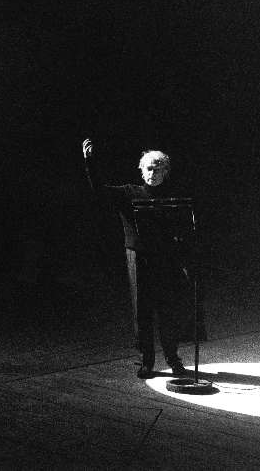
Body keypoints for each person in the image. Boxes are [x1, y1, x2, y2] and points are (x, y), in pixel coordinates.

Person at [82, 139, 197, 379]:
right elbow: (99, 190)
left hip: (165, 258)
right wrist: (89, 162)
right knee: (142, 310)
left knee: (167, 309)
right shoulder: (129, 192)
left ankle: (173, 359)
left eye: (158, 169)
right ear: (141, 170)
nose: (153, 173)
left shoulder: (172, 197)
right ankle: (147, 361)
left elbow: (183, 228)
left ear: (165, 172)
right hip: (139, 257)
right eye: (149, 168)